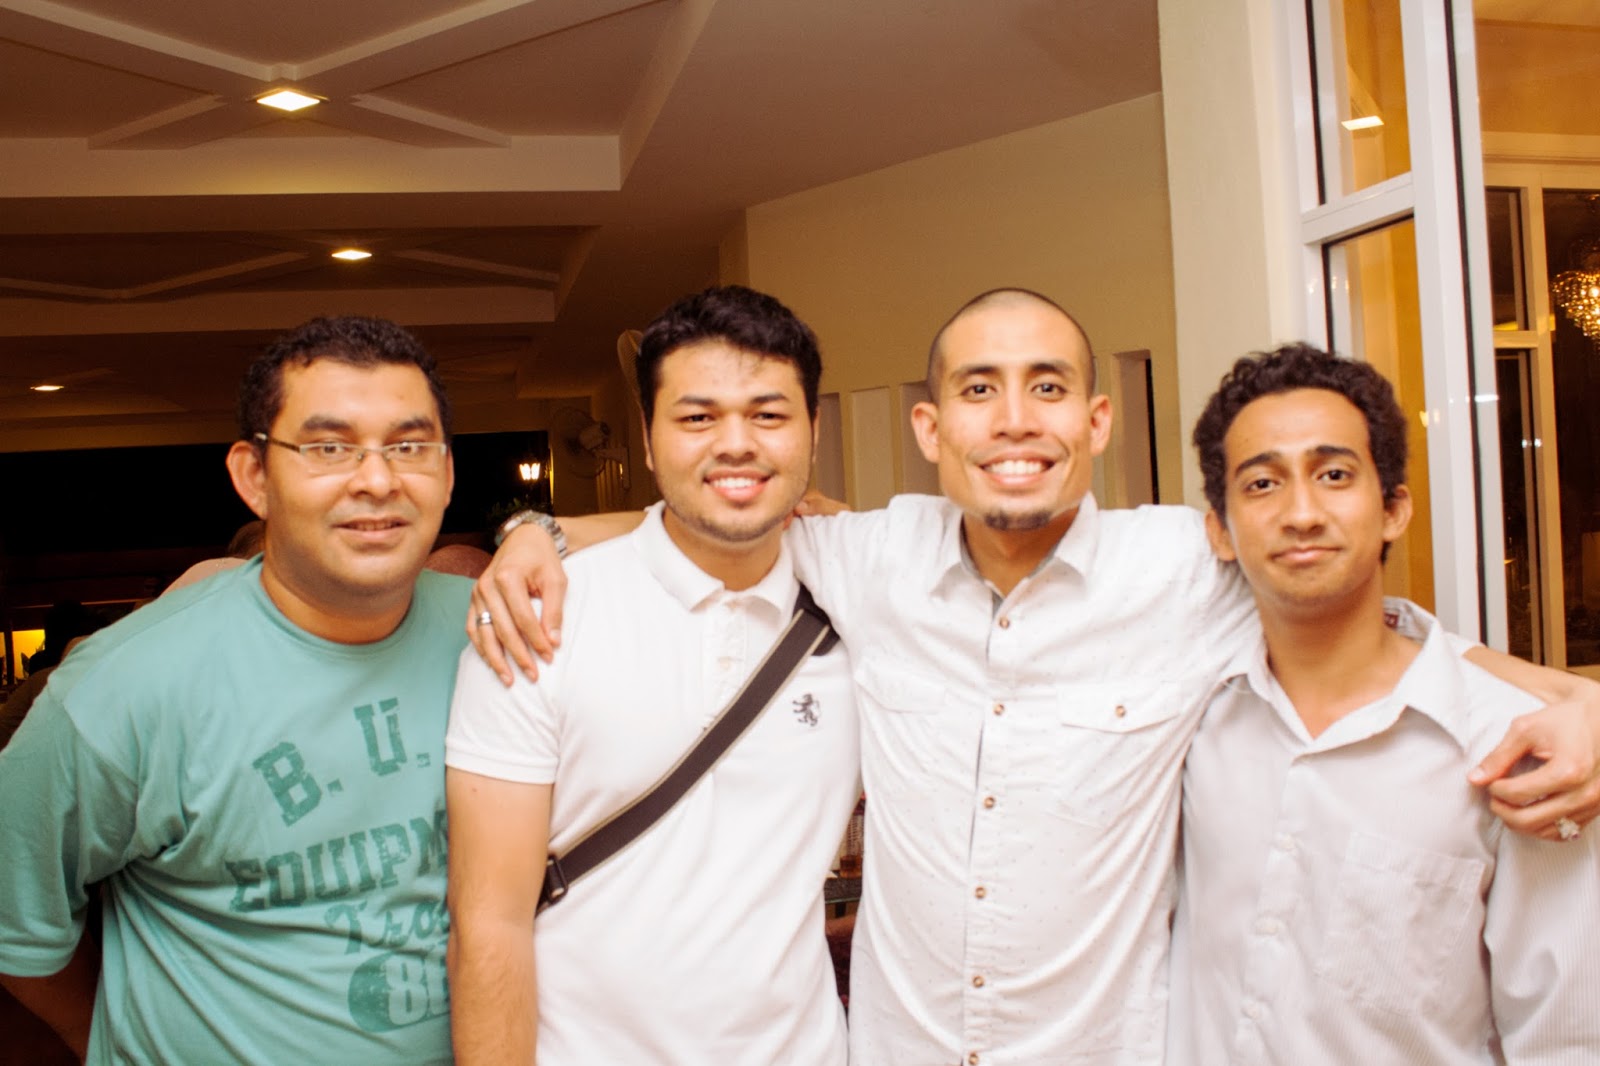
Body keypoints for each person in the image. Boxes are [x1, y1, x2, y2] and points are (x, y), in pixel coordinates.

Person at [470, 289, 1600, 1065]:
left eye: (1048, 387)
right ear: (928, 428)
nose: (1015, 421)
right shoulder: (866, 557)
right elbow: (721, 508)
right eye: (979, 391)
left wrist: (1581, 701)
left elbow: (1352, 605)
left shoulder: (1188, 564)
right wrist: (536, 531)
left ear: (1096, 419)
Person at [0, 315, 468, 1064]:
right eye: (328, 447)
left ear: (445, 472)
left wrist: (542, 532)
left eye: (409, 447)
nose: (378, 480)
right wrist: (122, 1042)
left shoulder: (502, 634)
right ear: (255, 477)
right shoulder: (123, 689)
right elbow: (17, 926)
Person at [445, 286, 860, 1064]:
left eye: (769, 415)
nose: (735, 444)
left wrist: (539, 526)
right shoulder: (541, 617)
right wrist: (534, 534)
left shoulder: (866, 602)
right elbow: (488, 924)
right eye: (697, 418)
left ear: (813, 430)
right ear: (645, 438)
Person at [1171, 344, 1600, 1062]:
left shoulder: (1519, 748)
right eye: (1263, 484)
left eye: (1334, 475)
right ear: (1220, 529)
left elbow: (1568, 1037)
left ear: (1393, 508)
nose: (1301, 513)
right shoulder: (1188, 713)